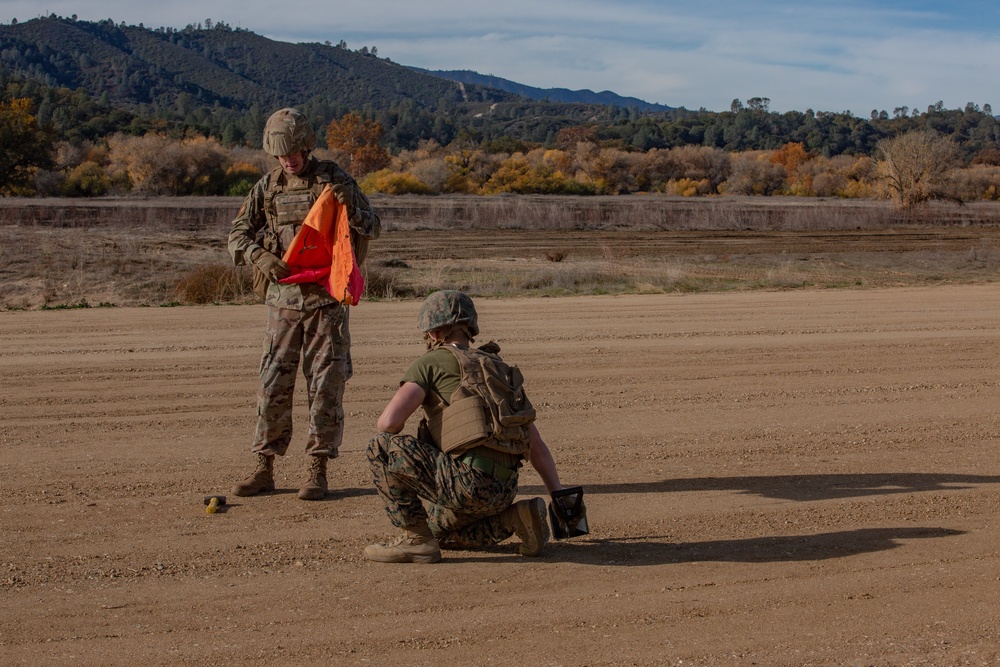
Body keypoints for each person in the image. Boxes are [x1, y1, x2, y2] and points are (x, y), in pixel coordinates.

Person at [228, 107, 380, 501]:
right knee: (273, 386)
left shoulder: (334, 180)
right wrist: (261, 257)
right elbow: (237, 235)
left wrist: (351, 204)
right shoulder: (267, 187)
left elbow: (373, 227)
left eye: (293, 151)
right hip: (283, 304)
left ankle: (318, 469)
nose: (288, 159)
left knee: (326, 387)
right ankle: (264, 467)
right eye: (280, 154)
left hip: (327, 304)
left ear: (306, 145)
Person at [365, 290, 566, 563]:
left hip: (467, 485)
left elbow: (388, 423)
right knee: (439, 532)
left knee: (381, 446)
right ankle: (516, 517)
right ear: (469, 327)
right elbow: (535, 444)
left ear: (435, 332)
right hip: (504, 490)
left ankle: (416, 540)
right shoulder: (498, 368)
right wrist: (560, 498)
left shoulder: (430, 363)